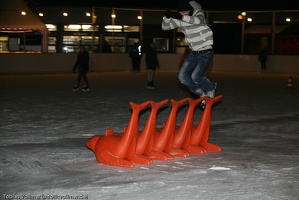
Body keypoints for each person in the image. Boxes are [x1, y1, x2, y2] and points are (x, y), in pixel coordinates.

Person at [162, 0, 217, 101]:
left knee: (196, 77)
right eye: (181, 12)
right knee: (182, 77)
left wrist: (178, 16)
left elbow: (198, 21)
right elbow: (164, 27)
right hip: (194, 53)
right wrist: (167, 17)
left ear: (190, 10)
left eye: (185, 12)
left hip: (206, 52)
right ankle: (201, 95)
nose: (183, 14)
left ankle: (210, 87)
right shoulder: (179, 18)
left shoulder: (198, 13)